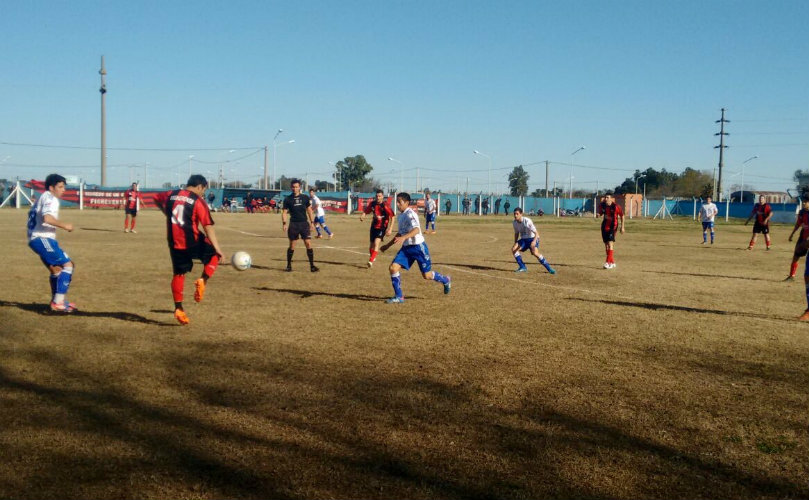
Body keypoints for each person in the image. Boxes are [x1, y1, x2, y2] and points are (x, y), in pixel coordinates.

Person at [155, 175, 224, 325]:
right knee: (213, 256)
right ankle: (202, 280)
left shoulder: (170, 194)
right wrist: (218, 249)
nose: (203, 193)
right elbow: (207, 227)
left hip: (174, 241)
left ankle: (179, 308)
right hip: (192, 241)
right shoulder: (198, 201)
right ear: (200, 186)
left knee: (179, 274)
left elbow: (156, 198)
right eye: (204, 189)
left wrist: (166, 212)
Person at [380, 192, 450, 303]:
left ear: (407, 203)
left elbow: (417, 230)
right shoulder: (401, 215)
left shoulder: (410, 214)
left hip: (418, 247)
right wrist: (387, 246)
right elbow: (400, 233)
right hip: (407, 248)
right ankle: (399, 296)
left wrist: (404, 237)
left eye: (400, 202)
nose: (397, 204)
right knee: (393, 268)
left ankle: (445, 280)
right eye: (397, 202)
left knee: (426, 275)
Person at [27, 174, 78, 312]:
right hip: (42, 238)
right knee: (68, 265)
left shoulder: (43, 197)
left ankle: (55, 302)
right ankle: (58, 303)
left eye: (64, 187)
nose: (63, 190)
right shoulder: (50, 198)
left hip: (36, 239)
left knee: (56, 270)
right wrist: (65, 225)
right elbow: (47, 218)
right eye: (60, 187)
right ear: (51, 188)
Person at [282, 179, 318, 272]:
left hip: (304, 224)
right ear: (291, 187)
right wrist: (284, 223)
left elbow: (309, 210)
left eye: (296, 187)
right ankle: (289, 266)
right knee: (292, 245)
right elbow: (284, 212)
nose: (295, 189)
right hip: (293, 224)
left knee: (308, 243)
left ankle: (312, 266)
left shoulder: (305, 198)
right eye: (293, 187)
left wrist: (312, 222)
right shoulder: (287, 199)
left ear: (300, 187)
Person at [511, 207, 556, 274]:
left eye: (517, 214)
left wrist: (534, 242)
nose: (515, 215)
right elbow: (516, 233)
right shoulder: (514, 223)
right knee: (514, 249)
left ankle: (549, 269)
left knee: (535, 253)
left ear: (521, 214)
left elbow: (536, 233)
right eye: (514, 214)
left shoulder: (527, 221)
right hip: (524, 240)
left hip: (533, 238)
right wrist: (515, 242)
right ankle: (523, 267)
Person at [360, 189, 394, 268]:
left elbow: (393, 217)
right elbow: (366, 211)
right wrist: (363, 215)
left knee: (376, 243)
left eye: (379, 196)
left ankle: (371, 261)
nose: (378, 197)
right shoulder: (372, 204)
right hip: (373, 226)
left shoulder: (386, 205)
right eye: (377, 196)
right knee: (371, 245)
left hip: (382, 227)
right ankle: (373, 257)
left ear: (382, 197)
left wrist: (390, 228)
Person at [597, 192, 624, 269]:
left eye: (608, 197)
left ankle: (607, 262)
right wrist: (598, 214)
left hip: (613, 227)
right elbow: (601, 213)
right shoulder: (602, 205)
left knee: (610, 243)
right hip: (604, 226)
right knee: (606, 245)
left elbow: (622, 216)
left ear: (611, 198)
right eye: (605, 197)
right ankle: (612, 262)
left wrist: (622, 227)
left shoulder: (616, 206)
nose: (606, 199)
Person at [786, 197, 809, 281]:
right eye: (803, 202)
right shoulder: (802, 212)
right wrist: (792, 234)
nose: (803, 203)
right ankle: (791, 276)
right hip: (803, 237)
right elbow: (798, 224)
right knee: (796, 256)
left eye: (805, 202)